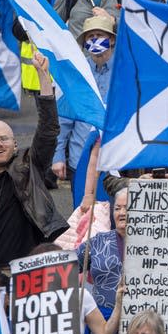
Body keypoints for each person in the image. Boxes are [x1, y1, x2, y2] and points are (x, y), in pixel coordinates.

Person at [0, 52, 68, 287]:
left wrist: (43, 76)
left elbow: (48, 130)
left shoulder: (28, 169)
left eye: (4, 138)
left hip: (23, 275)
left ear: (15, 145)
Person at [52, 15, 116, 199]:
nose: (95, 40)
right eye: (90, 37)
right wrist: (58, 157)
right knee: (82, 216)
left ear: (111, 39)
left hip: (115, 160)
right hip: (80, 159)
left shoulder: (123, 70)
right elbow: (64, 119)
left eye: (100, 35)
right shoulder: (78, 73)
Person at [77, 187, 128, 334]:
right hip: (103, 330)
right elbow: (66, 268)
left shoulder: (154, 245)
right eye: (117, 208)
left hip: (139, 332)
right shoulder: (98, 242)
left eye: (127, 208)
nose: (121, 213)